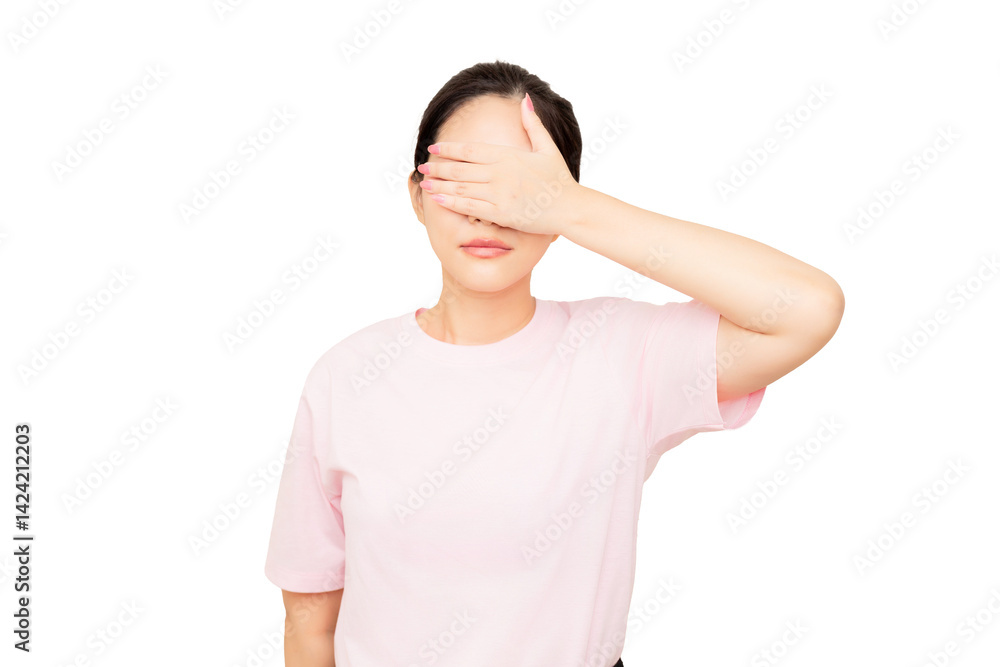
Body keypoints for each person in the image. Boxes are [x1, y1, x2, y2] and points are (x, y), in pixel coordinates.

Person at [264, 60, 844, 667]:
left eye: (518, 187)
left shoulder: (623, 354)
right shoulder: (345, 378)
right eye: (465, 178)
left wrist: (570, 206)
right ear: (417, 195)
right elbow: (309, 625)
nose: (488, 212)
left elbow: (806, 309)